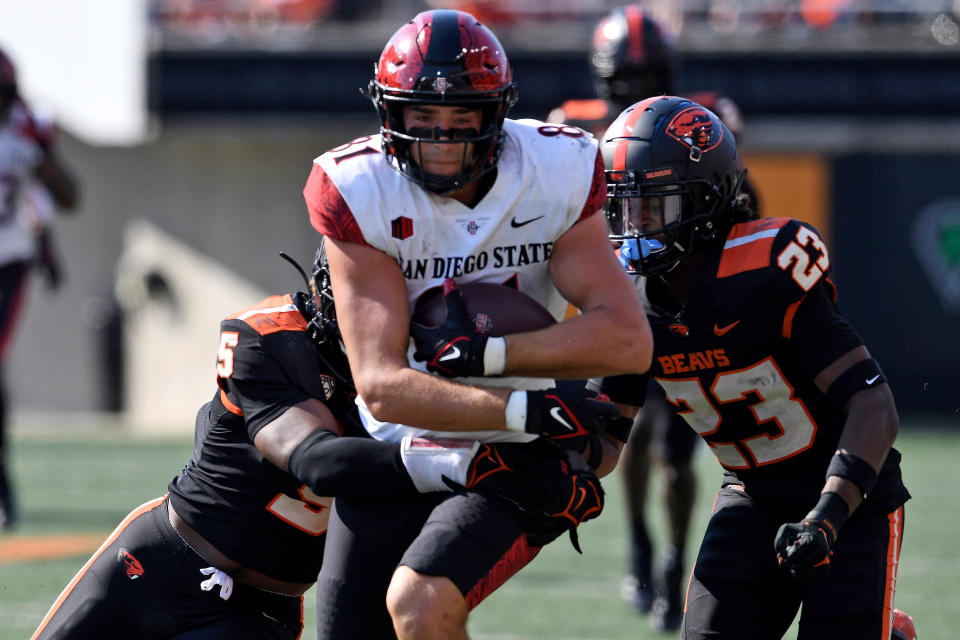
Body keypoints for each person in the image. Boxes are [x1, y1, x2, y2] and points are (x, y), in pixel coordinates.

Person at [303, 9, 652, 639]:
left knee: (422, 606)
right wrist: (526, 408)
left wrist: (489, 358)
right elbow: (381, 383)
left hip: (512, 456)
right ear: (391, 116)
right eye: (423, 121)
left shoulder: (556, 169)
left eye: (459, 123)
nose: (440, 141)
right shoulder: (359, 187)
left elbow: (626, 338)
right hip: (402, 447)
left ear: (494, 118)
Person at [30, 248, 584, 639]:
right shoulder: (268, 336)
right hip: (157, 562)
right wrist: (465, 462)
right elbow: (318, 460)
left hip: (258, 612)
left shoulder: (431, 378)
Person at [593, 95, 911, 639]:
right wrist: (556, 469)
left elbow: (873, 402)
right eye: (623, 206)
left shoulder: (763, 271)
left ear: (704, 198)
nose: (633, 225)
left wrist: (828, 515)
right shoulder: (629, 301)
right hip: (752, 494)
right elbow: (605, 432)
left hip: (849, 503)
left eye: (651, 206)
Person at [547, 7, 763, 630]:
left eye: (649, 75)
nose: (637, 89)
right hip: (619, 295)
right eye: (627, 77)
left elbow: (732, 202)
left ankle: (672, 556)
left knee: (678, 449)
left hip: (684, 293)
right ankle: (642, 544)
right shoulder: (571, 128)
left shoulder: (705, 120)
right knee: (628, 432)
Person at [0, 46, 78, 530]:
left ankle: (3, 485)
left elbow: (68, 196)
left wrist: (42, 155)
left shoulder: (25, 130)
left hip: (8, 262)